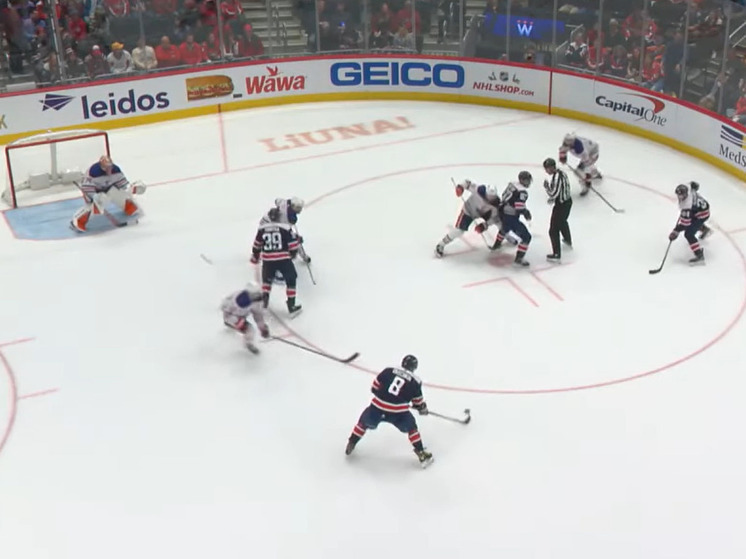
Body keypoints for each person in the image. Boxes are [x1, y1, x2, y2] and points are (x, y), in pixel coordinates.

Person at [344, 355, 434, 468]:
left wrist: (386, 397)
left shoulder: (388, 370)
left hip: (377, 408)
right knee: (412, 428)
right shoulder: (415, 381)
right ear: (414, 367)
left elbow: (374, 388)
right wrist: (422, 408)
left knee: (363, 423)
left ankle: (352, 442)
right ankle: (421, 452)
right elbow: (418, 403)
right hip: (398, 413)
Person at [70, 155, 145, 232]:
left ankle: (129, 207)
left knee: (119, 195)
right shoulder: (93, 172)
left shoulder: (116, 170)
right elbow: (86, 187)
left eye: (110, 167)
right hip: (94, 192)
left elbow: (123, 185)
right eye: (106, 167)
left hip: (108, 188)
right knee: (99, 203)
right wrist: (94, 196)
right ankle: (77, 220)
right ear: (101, 166)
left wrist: (132, 188)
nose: (109, 169)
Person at [251, 207, 302, 315]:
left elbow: (256, 245)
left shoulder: (262, 229)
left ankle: (264, 301)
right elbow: (293, 245)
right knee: (291, 279)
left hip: (268, 259)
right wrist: (293, 253)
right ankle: (291, 305)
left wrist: (256, 255)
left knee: (267, 281)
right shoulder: (284, 228)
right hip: (283, 259)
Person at [435, 179, 500, 257]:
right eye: (489, 196)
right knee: (459, 230)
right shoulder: (478, 190)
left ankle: (502, 238)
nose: (490, 198)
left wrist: (485, 225)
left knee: (500, 221)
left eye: (492, 197)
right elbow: (466, 182)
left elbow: (494, 218)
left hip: (481, 214)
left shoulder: (495, 205)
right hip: (468, 211)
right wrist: (460, 187)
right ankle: (441, 244)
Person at [490, 171, 533, 267]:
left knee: (504, 228)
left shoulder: (512, 184)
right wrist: (526, 213)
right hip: (510, 215)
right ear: (522, 180)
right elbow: (519, 207)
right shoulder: (522, 191)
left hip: (502, 210)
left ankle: (496, 245)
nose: (529, 182)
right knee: (526, 237)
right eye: (527, 180)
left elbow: (505, 196)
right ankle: (519, 258)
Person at [220, 282, 270, 354]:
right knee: (250, 329)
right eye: (253, 294)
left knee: (249, 329)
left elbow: (258, 316)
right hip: (231, 316)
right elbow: (224, 307)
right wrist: (234, 320)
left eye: (256, 294)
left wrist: (263, 329)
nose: (255, 296)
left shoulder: (257, 302)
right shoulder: (237, 298)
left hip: (241, 317)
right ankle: (248, 343)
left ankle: (248, 343)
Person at [668, 183, 711, 265]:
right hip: (701, 209)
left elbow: (685, 224)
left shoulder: (687, 206)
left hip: (702, 215)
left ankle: (699, 255)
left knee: (689, 234)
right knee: (692, 222)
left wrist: (675, 231)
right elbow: (694, 185)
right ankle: (704, 229)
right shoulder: (688, 188)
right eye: (678, 195)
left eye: (681, 195)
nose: (680, 197)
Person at [543, 158, 573, 262]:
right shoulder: (562, 173)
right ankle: (568, 241)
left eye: (547, 168)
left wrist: (547, 187)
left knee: (553, 230)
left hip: (562, 205)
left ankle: (556, 254)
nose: (546, 171)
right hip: (567, 202)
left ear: (551, 167)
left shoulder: (557, 177)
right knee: (562, 222)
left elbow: (554, 193)